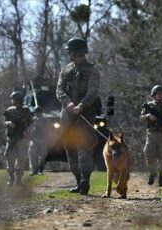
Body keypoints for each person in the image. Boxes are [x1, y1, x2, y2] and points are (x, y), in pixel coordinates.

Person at [56, 37, 100, 195]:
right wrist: (68, 104)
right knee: (69, 147)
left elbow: (92, 93)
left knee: (85, 145)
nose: (68, 53)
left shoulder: (92, 70)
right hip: (67, 114)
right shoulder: (66, 70)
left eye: (70, 51)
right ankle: (77, 180)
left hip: (85, 113)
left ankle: (85, 180)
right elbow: (59, 90)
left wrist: (81, 106)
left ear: (76, 52)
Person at [140, 85, 162, 187]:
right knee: (148, 153)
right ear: (153, 95)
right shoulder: (148, 105)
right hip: (151, 133)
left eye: (161, 94)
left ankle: (161, 178)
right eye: (157, 94)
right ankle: (152, 172)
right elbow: (141, 117)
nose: (160, 96)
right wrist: (148, 116)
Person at [3, 91, 32, 186]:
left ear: (18, 99)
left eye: (13, 99)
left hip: (22, 139)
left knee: (21, 159)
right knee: (10, 158)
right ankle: (11, 178)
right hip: (11, 138)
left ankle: (19, 180)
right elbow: (4, 122)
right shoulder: (9, 110)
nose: (12, 100)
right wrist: (9, 123)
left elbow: (31, 124)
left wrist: (27, 131)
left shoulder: (26, 110)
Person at [27, 106, 48, 175]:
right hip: (33, 139)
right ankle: (33, 170)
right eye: (36, 112)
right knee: (32, 155)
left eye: (38, 112)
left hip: (42, 139)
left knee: (42, 156)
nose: (36, 114)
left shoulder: (44, 119)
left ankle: (40, 170)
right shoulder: (33, 119)